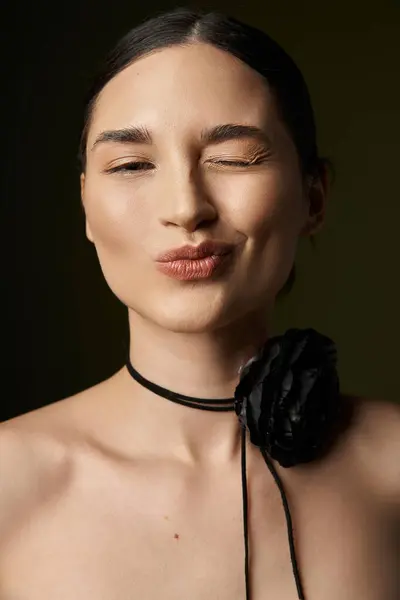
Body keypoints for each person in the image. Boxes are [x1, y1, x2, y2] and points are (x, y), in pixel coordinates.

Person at [0, 6, 399, 600]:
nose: (186, 207)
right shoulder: (10, 482)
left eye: (234, 158)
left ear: (313, 196)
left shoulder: (392, 468)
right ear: (85, 204)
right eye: (132, 165)